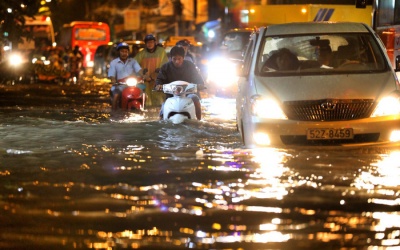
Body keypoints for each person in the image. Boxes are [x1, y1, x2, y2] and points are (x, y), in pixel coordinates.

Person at [155, 46, 204, 120]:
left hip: (188, 94)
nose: (177, 61)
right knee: (163, 110)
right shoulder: (165, 67)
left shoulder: (190, 65)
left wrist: (200, 84)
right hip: (171, 95)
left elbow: (197, 77)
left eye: (179, 59)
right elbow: (159, 79)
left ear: (183, 58)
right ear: (171, 58)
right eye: (174, 59)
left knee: (195, 98)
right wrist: (158, 85)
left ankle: (199, 120)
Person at [134, 34, 169, 107]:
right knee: (147, 101)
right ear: (145, 44)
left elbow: (165, 64)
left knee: (159, 100)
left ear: (155, 42)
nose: (150, 44)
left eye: (151, 42)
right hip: (146, 81)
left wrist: (157, 74)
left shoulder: (161, 51)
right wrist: (143, 75)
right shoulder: (142, 53)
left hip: (158, 80)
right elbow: (134, 64)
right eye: (148, 42)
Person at [108, 42, 143, 111]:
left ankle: (143, 108)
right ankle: (113, 112)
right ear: (118, 52)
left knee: (143, 94)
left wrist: (144, 75)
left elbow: (139, 70)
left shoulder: (133, 61)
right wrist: (113, 80)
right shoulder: (114, 63)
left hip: (133, 86)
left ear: (128, 52)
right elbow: (111, 75)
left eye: (126, 51)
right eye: (122, 51)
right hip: (119, 86)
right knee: (116, 96)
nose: (124, 53)